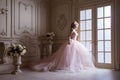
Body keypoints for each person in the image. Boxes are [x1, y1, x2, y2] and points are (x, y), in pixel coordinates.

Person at [31, 21, 95, 72]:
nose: (77, 26)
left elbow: (73, 36)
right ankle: (68, 65)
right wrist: (69, 41)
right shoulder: (72, 30)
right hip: (71, 43)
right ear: (74, 26)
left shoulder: (74, 30)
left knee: (74, 55)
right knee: (69, 55)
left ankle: (72, 65)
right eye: (77, 25)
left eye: (77, 25)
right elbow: (68, 36)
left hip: (75, 43)